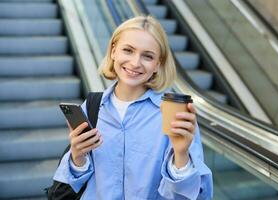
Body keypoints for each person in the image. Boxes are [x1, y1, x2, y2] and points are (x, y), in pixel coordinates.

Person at [53, 15, 213, 200]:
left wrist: (181, 156)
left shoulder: (174, 116)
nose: (135, 63)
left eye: (147, 56)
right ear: (113, 52)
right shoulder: (92, 107)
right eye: (128, 50)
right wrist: (77, 156)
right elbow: (74, 184)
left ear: (157, 65)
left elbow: (197, 197)